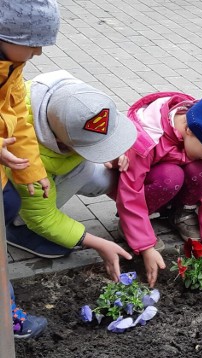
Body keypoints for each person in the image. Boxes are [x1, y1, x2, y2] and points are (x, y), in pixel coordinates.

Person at [5, 70, 135, 281]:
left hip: (57, 164)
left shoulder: (75, 98)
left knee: (105, 178)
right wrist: (98, 243)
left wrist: (110, 152)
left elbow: (96, 129)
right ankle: (17, 227)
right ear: (61, 142)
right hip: (21, 180)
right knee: (47, 225)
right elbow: (43, 217)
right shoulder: (24, 154)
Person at [117, 91, 202, 287]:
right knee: (171, 176)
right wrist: (145, 246)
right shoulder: (149, 136)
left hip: (173, 188)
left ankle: (181, 214)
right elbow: (130, 191)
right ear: (188, 130)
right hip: (145, 189)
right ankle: (132, 226)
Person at [0, 0, 60, 339]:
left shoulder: (9, 64)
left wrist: (31, 169)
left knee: (10, 203)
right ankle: (5, 317)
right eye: (32, 42)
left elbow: (18, 117)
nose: (37, 52)